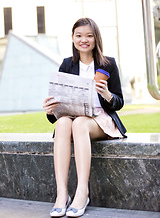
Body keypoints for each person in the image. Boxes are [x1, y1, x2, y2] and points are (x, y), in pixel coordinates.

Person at [43, 17, 127, 217]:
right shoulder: (66, 64)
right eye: (79, 35)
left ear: (96, 38)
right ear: (72, 38)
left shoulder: (108, 64)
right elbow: (58, 103)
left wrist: (107, 94)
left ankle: (82, 192)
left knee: (80, 123)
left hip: (99, 120)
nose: (84, 40)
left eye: (89, 36)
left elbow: (119, 102)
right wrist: (49, 110)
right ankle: (62, 194)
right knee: (63, 123)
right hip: (72, 117)